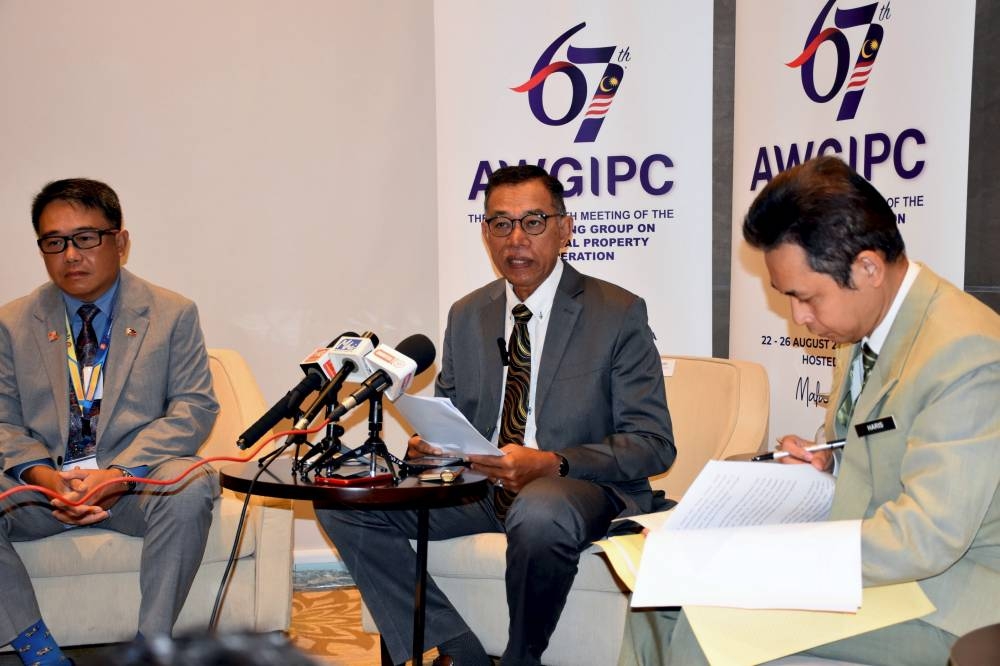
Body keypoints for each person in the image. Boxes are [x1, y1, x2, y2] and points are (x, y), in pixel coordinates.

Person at [619, 155, 1000, 666]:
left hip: (945, 599)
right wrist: (829, 460)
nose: (800, 318)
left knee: (705, 621)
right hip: (874, 571)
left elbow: (926, 538)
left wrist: (768, 556)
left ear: (868, 267)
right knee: (656, 598)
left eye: (806, 298)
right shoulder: (863, 322)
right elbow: (883, 443)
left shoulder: (965, 352)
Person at [317, 165, 675, 666]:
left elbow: (653, 441)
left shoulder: (616, 312)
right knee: (342, 502)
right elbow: (454, 415)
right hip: (481, 488)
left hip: (580, 489)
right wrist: (430, 449)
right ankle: (460, 649)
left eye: (533, 222)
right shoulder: (468, 314)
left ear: (564, 228)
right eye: (500, 224)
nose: (516, 239)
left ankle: (520, 659)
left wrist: (551, 464)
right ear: (485, 233)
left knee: (540, 508)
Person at [0, 179, 220, 666]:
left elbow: (194, 407)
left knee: (192, 482)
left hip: (133, 485)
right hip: (42, 489)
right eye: (54, 242)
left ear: (120, 241)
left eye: (85, 238)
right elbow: (3, 422)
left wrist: (118, 474)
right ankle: (38, 651)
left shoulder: (171, 313)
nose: (70, 255)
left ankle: (151, 645)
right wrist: (43, 476)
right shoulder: (13, 322)